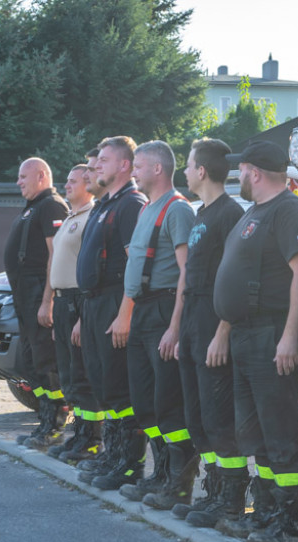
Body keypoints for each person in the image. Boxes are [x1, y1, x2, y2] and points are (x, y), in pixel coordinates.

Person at [212, 140, 298, 542]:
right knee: (254, 432)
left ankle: (289, 525)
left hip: (271, 335)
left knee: (282, 431)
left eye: (241, 171)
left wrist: (290, 336)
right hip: (245, 335)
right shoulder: (255, 212)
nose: (237, 177)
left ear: (254, 172)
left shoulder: (289, 210)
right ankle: (270, 511)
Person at [115, 140, 198, 509]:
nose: (133, 171)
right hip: (143, 314)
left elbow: (187, 274)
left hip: (165, 311)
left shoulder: (177, 209)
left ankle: (179, 483)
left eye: (139, 165)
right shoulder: (147, 208)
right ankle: (161, 473)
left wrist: (175, 327)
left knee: (169, 403)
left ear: (158, 169)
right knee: (145, 402)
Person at [170, 138, 247, 528]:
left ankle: (231, 501)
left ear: (202, 171)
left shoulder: (229, 215)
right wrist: (184, 331)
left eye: (188, 165)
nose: (184, 171)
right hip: (194, 324)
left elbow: (232, 280)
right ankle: (214, 491)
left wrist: (222, 332)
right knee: (198, 418)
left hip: (215, 325)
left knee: (220, 420)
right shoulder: (202, 214)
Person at [74, 136, 149, 490]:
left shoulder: (131, 205)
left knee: (120, 389)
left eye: (103, 160)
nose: (95, 166)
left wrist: (125, 314)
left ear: (124, 166)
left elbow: (136, 263)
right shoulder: (105, 204)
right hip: (93, 305)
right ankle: (112, 453)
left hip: (115, 304)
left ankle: (128, 464)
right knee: (104, 387)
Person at [5, 158, 70, 449]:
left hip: (37, 296)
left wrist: (48, 301)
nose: (18, 181)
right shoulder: (34, 206)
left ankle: (55, 422)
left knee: (47, 363)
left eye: (23, 176)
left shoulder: (52, 206)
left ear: (41, 175)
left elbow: (55, 257)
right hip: (25, 296)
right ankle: (45, 418)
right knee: (32, 363)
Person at [45, 164, 104, 462]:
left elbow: (88, 270)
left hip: (78, 302)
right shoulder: (71, 217)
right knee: (69, 377)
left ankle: (92, 440)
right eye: (65, 181)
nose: (65, 185)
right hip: (63, 302)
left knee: (82, 376)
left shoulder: (90, 217)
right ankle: (79, 435)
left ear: (87, 183)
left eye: (72, 181)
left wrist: (82, 317)